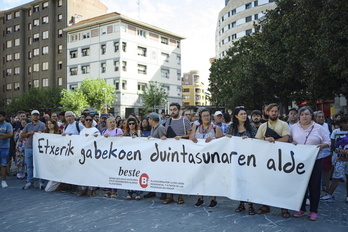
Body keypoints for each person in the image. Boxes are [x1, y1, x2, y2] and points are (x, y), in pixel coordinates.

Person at [291, 106, 330, 221]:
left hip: (315, 160)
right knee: (300, 186)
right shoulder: (293, 127)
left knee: (314, 186)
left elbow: (327, 142)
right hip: (299, 161)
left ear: (311, 115)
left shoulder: (319, 128)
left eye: (307, 114)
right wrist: (292, 143)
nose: (304, 116)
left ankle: (313, 211)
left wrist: (322, 146)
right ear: (299, 116)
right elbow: (291, 141)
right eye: (302, 114)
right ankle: (301, 209)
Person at [254, 103, 290, 218]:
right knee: (266, 182)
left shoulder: (284, 124)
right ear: (267, 112)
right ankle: (265, 205)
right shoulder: (262, 126)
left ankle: (284, 207)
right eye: (272, 111)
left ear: (278, 113)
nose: (274, 113)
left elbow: (286, 138)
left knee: (282, 183)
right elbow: (257, 141)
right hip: (267, 158)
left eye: (276, 111)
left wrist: (274, 141)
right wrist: (265, 139)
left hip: (281, 157)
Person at [190, 109, 223, 208]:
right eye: (204, 116)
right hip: (199, 157)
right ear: (200, 117)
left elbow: (223, 140)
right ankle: (200, 197)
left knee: (212, 177)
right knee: (200, 177)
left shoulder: (215, 127)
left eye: (208, 115)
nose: (206, 117)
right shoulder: (196, 127)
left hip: (212, 157)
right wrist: (193, 139)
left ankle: (213, 199)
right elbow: (190, 137)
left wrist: (213, 140)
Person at [227, 106, 257, 215]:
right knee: (239, 181)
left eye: (245, 114)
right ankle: (241, 203)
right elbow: (226, 139)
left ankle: (250, 204)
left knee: (249, 182)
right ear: (236, 116)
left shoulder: (251, 127)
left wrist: (249, 140)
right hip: (236, 159)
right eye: (242, 114)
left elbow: (257, 141)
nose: (244, 116)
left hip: (249, 159)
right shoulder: (232, 127)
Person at [161, 102, 192, 204]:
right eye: (171, 110)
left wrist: (181, 137)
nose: (172, 111)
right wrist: (163, 137)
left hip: (182, 151)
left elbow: (189, 135)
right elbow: (165, 133)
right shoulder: (168, 121)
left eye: (174, 109)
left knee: (180, 174)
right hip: (170, 152)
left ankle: (180, 196)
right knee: (169, 173)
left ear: (179, 110)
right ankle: (170, 196)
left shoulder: (185, 121)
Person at [320, 115, 348, 203]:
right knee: (336, 177)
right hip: (339, 159)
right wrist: (336, 152)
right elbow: (332, 144)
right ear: (341, 123)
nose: (347, 125)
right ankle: (330, 194)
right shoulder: (335, 132)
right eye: (345, 123)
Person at [143, 112, 166, 199]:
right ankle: (152, 191)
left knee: (161, 173)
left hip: (160, 155)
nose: (148, 121)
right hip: (154, 155)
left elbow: (164, 141)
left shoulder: (160, 128)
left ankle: (164, 193)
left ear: (152, 119)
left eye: (149, 119)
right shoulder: (153, 128)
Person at [21, 110, 46, 189]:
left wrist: (29, 134)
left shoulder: (42, 124)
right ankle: (30, 181)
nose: (35, 116)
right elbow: (22, 135)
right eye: (34, 115)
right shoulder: (28, 125)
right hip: (28, 147)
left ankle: (41, 182)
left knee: (40, 165)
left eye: (37, 115)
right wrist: (28, 134)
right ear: (31, 116)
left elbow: (39, 135)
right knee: (29, 166)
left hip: (38, 148)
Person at [77, 114, 100, 197]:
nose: (88, 121)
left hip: (92, 154)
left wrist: (91, 137)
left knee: (92, 172)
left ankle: (92, 189)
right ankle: (84, 188)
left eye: (90, 120)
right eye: (87, 120)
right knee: (83, 172)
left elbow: (99, 141)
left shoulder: (95, 130)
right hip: (83, 154)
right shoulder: (82, 131)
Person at [123, 117, 142, 200]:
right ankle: (129, 193)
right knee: (129, 174)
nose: (131, 125)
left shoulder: (139, 132)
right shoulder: (126, 133)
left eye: (133, 124)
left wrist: (137, 139)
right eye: (130, 124)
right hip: (128, 156)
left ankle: (138, 193)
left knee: (137, 174)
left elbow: (143, 142)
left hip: (137, 156)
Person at [313, 111, 332, 192]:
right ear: (315, 118)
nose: (321, 118)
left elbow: (330, 139)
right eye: (319, 117)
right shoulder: (312, 127)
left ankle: (327, 189)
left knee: (326, 172)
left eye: (322, 117)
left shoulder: (328, 126)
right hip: (314, 155)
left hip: (326, 153)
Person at [43, 119, 62, 192]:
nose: (49, 125)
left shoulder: (59, 132)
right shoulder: (45, 133)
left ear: (54, 124)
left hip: (57, 154)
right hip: (48, 154)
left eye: (51, 123)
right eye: (48, 124)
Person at [0, 111, 13, 188]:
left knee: (4, 164)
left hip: (4, 147)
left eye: (0, 116)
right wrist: (3, 134)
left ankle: (3, 180)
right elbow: (6, 134)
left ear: (4, 117)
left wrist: (3, 135)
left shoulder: (8, 125)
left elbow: (10, 135)